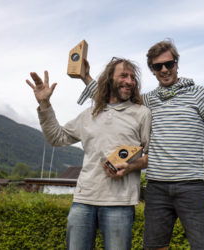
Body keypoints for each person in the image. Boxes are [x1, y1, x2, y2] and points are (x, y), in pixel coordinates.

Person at [77, 40, 204, 250]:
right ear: (152, 70)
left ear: (176, 64)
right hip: (157, 187)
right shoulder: (148, 101)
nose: (164, 69)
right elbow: (113, 97)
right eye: (157, 66)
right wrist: (86, 78)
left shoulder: (198, 95)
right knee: (154, 247)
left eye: (168, 64)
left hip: (192, 185)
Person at [25, 57, 151, 250]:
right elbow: (57, 138)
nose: (130, 81)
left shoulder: (142, 113)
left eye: (133, 77)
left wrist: (131, 167)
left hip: (120, 203)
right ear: (109, 80)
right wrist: (44, 105)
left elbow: (154, 156)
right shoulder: (89, 114)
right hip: (83, 200)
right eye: (124, 75)